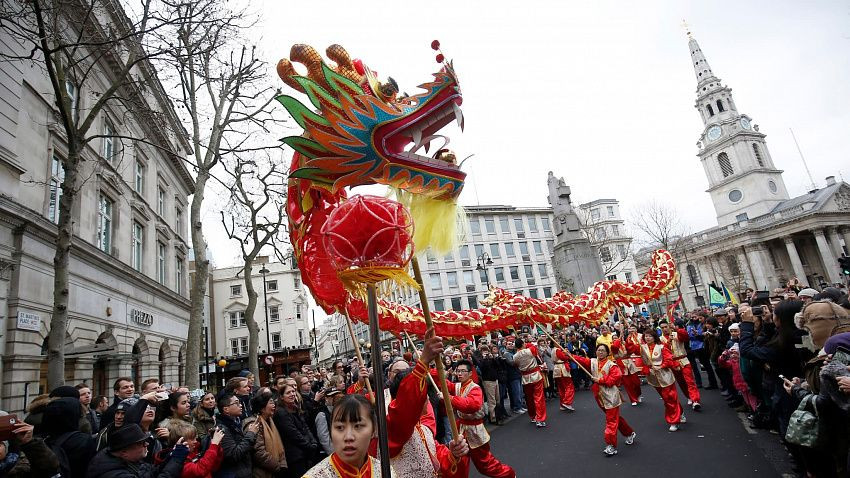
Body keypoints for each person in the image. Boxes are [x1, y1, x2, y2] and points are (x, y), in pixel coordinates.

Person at [385, 330, 470, 478]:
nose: (425, 399)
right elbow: (406, 408)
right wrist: (423, 361)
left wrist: (453, 454)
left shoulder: (422, 428)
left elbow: (437, 457)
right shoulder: (393, 427)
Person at [444, 359, 515, 478]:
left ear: (470, 373)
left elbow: (471, 405)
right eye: (458, 371)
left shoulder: (475, 388)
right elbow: (443, 382)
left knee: (485, 465)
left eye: (463, 371)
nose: (459, 374)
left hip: (474, 431)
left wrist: (449, 398)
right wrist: (432, 366)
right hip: (461, 430)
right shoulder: (458, 386)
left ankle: (508, 474)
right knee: (459, 462)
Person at [570, 344, 636, 456]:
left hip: (611, 396)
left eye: (603, 351)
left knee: (611, 421)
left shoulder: (612, 365)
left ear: (607, 353)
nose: (600, 352)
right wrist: (569, 355)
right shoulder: (593, 362)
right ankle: (629, 433)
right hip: (599, 396)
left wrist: (600, 380)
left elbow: (615, 378)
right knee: (615, 418)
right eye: (598, 350)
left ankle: (611, 445)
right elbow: (581, 360)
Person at [301, 395, 383, 478]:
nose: (348, 437)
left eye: (358, 426)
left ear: (374, 430)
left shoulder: (383, 471)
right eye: (340, 427)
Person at [86, 424, 188, 478]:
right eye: (141, 443)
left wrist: (172, 454)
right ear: (124, 452)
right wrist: (177, 459)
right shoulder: (115, 474)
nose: (147, 444)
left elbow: (151, 473)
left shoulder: (127, 460)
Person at [641, 329, 684, 431]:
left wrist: (661, 366)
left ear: (654, 337)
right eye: (646, 336)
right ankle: (680, 413)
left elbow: (669, 360)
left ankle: (674, 421)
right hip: (653, 377)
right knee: (666, 399)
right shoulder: (642, 348)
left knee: (669, 398)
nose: (647, 338)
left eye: (649, 336)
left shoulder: (661, 347)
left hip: (665, 376)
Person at [274, 383, 319, 477]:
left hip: (305, 453)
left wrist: (313, 441)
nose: (292, 394)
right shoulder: (280, 412)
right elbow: (293, 434)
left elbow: (305, 427)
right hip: (295, 456)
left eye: (293, 391)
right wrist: (309, 446)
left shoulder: (295, 407)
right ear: (281, 397)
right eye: (288, 393)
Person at [156, 421, 224, 478]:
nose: (196, 441)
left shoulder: (195, 451)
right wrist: (214, 445)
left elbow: (213, 467)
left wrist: (217, 446)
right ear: (181, 441)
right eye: (192, 439)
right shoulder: (177, 462)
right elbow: (200, 470)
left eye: (195, 438)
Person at [243, 391, 286, 478]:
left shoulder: (270, 421)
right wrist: (277, 466)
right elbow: (259, 452)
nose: (274, 405)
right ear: (262, 408)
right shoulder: (253, 424)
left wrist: (282, 464)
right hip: (262, 473)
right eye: (270, 402)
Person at [660, 320, 701, 410]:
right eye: (662, 328)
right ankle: (689, 396)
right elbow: (663, 351)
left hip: (683, 359)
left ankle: (695, 400)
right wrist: (668, 341)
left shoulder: (676, 333)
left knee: (689, 381)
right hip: (673, 363)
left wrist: (676, 329)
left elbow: (685, 337)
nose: (665, 329)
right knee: (681, 382)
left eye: (666, 327)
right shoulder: (660, 339)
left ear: (669, 326)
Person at [215, 393, 260, 478]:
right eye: (236, 403)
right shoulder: (222, 429)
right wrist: (251, 434)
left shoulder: (234, 424)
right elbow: (233, 455)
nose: (240, 405)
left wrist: (249, 434)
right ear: (226, 409)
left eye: (239, 402)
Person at [512, 338, 547, 427]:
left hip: (525, 378)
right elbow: (533, 346)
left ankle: (533, 416)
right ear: (523, 344)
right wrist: (527, 343)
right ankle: (540, 418)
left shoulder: (515, 356)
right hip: (535, 375)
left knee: (529, 399)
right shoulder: (529, 350)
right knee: (539, 398)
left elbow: (516, 365)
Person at [611, 326, 642, 406]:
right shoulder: (613, 347)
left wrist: (627, 342)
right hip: (621, 365)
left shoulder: (625, 343)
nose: (615, 339)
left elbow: (632, 349)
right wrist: (619, 338)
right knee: (628, 385)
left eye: (616, 338)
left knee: (636, 382)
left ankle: (638, 394)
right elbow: (615, 347)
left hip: (630, 364)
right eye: (613, 338)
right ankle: (633, 399)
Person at [314, 390, 344, 456]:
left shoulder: (341, 412)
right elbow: (324, 438)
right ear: (326, 398)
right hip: (330, 454)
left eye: (336, 395)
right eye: (332, 396)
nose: (335, 398)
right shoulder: (322, 414)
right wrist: (335, 454)